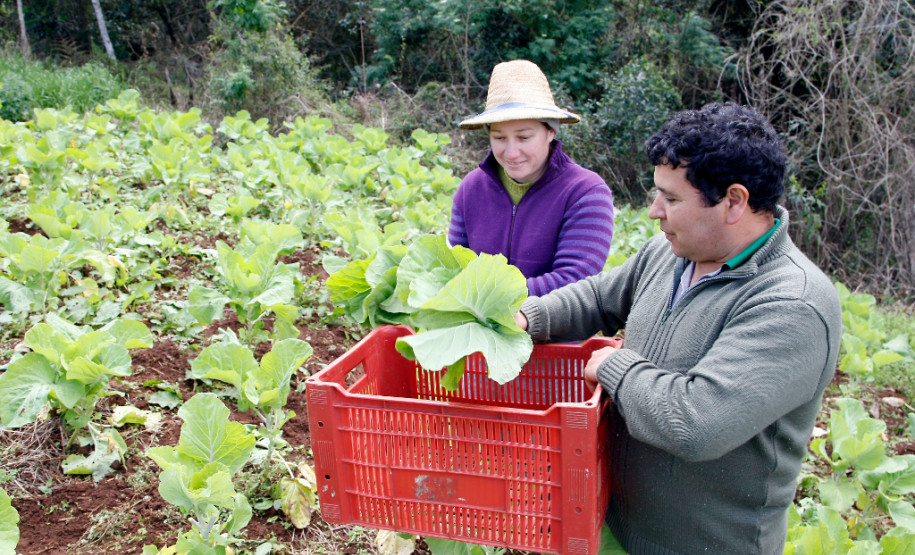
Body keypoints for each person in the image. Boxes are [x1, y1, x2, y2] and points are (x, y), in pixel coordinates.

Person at [514, 102, 843, 554]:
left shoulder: (793, 304)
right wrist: (529, 317)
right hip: (615, 524)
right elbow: (598, 297)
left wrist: (615, 367)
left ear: (733, 202)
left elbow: (696, 423)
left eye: (671, 199)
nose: (654, 211)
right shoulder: (670, 253)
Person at [448, 59, 615, 296]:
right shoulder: (471, 189)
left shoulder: (586, 192)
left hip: (551, 322)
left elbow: (574, 283)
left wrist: (489, 296)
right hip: (476, 319)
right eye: (499, 138)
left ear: (551, 131)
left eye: (524, 137)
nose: (511, 153)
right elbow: (453, 268)